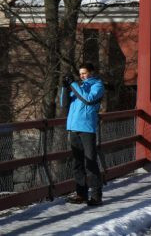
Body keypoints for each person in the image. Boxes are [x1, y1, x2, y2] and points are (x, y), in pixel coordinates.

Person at [60, 62, 105, 206]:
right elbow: (64, 104)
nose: (82, 76)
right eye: (80, 74)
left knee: (90, 162)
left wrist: (74, 84)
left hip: (87, 129)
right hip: (73, 128)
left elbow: (87, 99)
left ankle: (96, 196)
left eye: (84, 73)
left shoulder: (97, 85)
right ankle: (81, 194)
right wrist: (64, 87)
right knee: (77, 164)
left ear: (92, 72)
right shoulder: (78, 87)